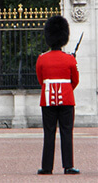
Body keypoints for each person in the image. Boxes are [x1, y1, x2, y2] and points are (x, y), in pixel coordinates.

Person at [36, 15, 80, 175]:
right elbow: (75, 80)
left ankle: (47, 167)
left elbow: (41, 79)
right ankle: (68, 166)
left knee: (49, 133)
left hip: (47, 99)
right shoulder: (70, 59)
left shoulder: (42, 59)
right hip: (67, 99)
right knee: (66, 132)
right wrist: (66, 90)